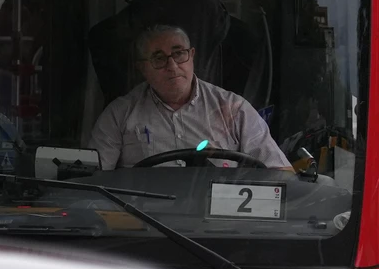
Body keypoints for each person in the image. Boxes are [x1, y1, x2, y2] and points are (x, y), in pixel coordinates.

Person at [90, 24, 289, 170]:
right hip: (143, 219)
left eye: (178, 54)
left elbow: (279, 173)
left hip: (215, 221)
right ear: (143, 68)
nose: (172, 66)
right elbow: (93, 181)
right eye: (158, 58)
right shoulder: (119, 114)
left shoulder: (234, 109)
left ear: (191, 56)